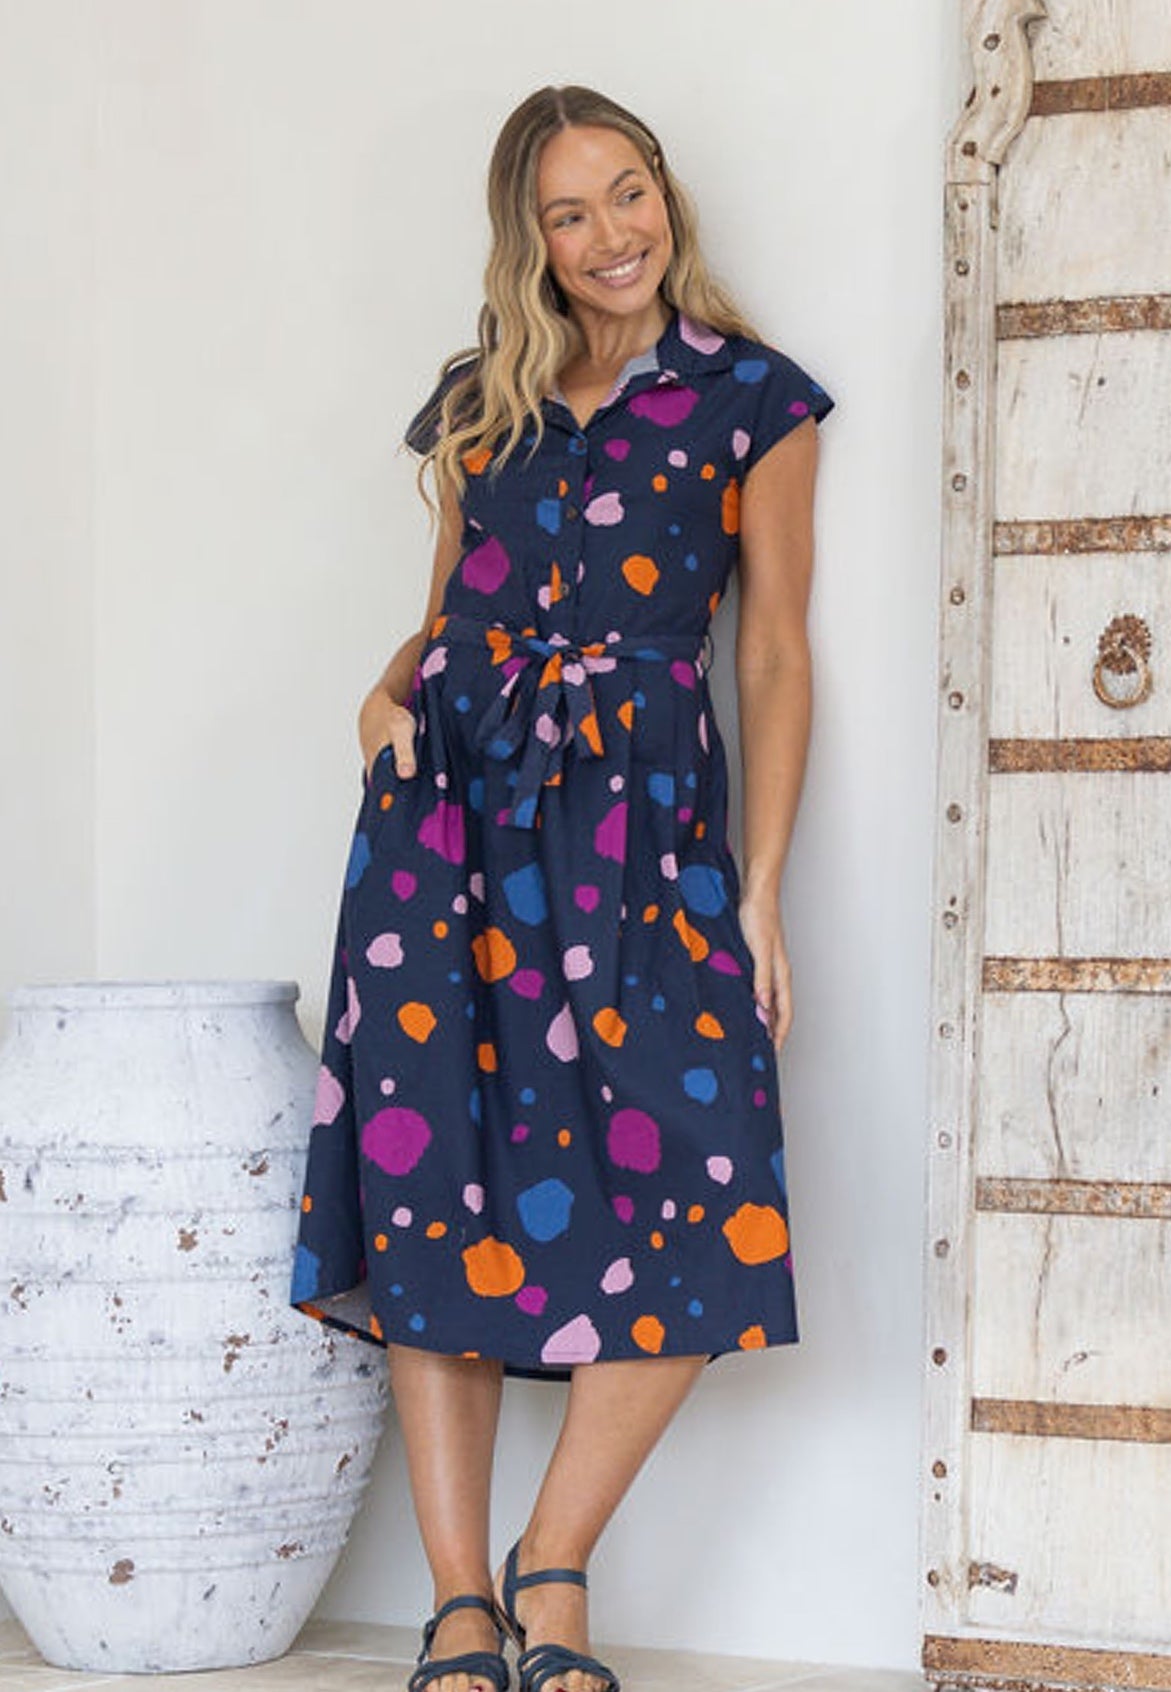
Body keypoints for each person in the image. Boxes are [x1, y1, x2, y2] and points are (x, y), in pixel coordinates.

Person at [291, 82, 833, 1692]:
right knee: (434, 1185)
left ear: (666, 195)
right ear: (529, 240)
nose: (610, 235)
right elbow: (447, 614)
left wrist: (762, 886)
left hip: (643, 842)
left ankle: (554, 1563)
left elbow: (778, 651)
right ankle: (462, 1605)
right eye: (569, 213)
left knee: (703, 1178)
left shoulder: (755, 400)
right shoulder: (480, 400)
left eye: (627, 194)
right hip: (442, 825)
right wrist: (383, 694)